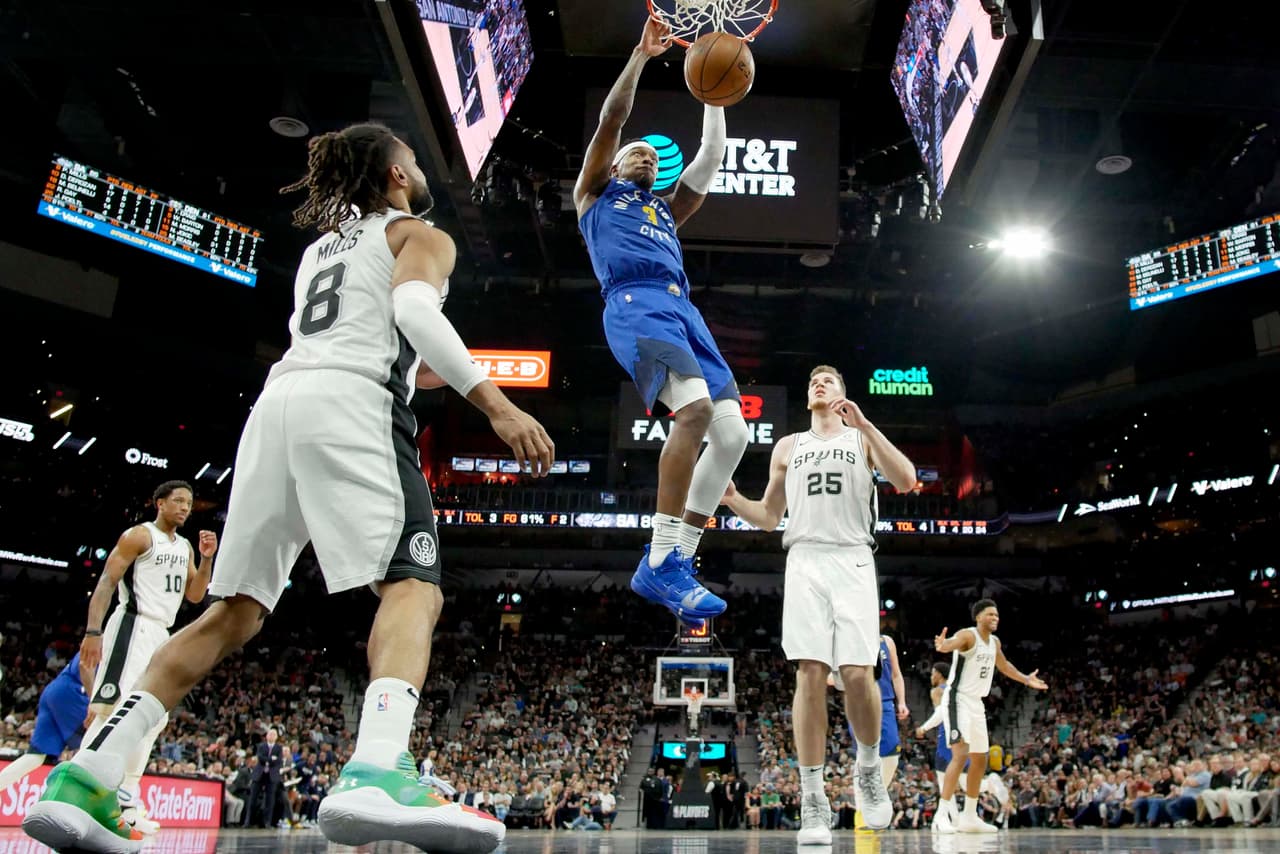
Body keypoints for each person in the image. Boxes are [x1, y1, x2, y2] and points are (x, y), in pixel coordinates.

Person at [25, 122, 553, 854]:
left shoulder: (320, 252)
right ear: (397, 175)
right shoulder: (420, 236)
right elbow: (411, 315)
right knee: (413, 584)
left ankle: (87, 775)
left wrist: (429, 366)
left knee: (231, 612)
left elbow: (386, 337)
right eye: (412, 158)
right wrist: (497, 406)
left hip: (279, 407)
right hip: (353, 403)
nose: (421, 168)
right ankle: (378, 768)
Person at [576, 17, 749, 626]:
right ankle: (658, 556)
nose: (646, 156)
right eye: (637, 153)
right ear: (616, 164)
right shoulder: (596, 195)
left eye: (653, 156)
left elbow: (711, 157)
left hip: (682, 309)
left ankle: (678, 558)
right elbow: (612, 120)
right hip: (635, 305)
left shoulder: (668, 211)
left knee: (733, 437)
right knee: (694, 414)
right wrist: (642, 56)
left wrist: (712, 96)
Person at [722, 365, 918, 843]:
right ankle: (813, 800)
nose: (819, 382)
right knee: (809, 673)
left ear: (843, 394)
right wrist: (733, 500)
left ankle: (867, 769)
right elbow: (769, 516)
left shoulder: (861, 438)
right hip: (805, 558)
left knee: (857, 673)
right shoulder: (788, 446)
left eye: (828, 379)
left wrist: (865, 424)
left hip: (853, 557)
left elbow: (907, 479)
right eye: (813, 379)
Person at [76, 480, 218, 836]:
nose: (185, 508)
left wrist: (206, 559)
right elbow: (106, 582)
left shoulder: (184, 546)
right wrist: (93, 631)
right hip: (132, 625)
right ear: (159, 503)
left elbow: (195, 594)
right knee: (113, 712)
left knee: (153, 718)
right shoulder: (139, 536)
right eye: (178, 501)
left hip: (161, 634)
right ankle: (78, 791)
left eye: (189, 503)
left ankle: (126, 801)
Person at [932, 599, 1048, 833]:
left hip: (976, 703)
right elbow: (951, 643)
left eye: (996, 615)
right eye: (990, 614)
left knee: (980, 759)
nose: (995, 618)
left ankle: (969, 816)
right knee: (960, 754)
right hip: (958, 699)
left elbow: (1004, 666)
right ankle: (941, 815)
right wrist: (943, 645)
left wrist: (1026, 679)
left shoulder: (994, 642)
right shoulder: (968, 635)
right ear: (978, 617)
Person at [0, 652, 95, 793]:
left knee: (35, 757)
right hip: (74, 693)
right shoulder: (111, 643)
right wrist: (93, 699)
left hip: (55, 689)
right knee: (95, 748)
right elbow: (85, 666)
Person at [914, 661, 953, 830]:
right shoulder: (954, 688)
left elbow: (940, 713)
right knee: (961, 780)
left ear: (939, 675)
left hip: (946, 735)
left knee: (945, 781)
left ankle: (946, 819)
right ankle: (955, 819)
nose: (931, 676)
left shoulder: (937, 691)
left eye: (932, 673)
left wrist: (924, 728)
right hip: (961, 734)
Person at [243, 728, 283, 828]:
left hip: (271, 776)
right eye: (270, 734)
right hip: (259, 774)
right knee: (253, 799)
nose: (271, 736)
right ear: (267, 736)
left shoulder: (279, 748)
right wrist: (271, 759)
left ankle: (267, 822)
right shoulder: (261, 746)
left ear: (276, 737)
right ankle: (248, 821)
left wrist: (268, 760)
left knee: (270, 800)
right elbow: (260, 758)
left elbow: (278, 761)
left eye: (274, 734)